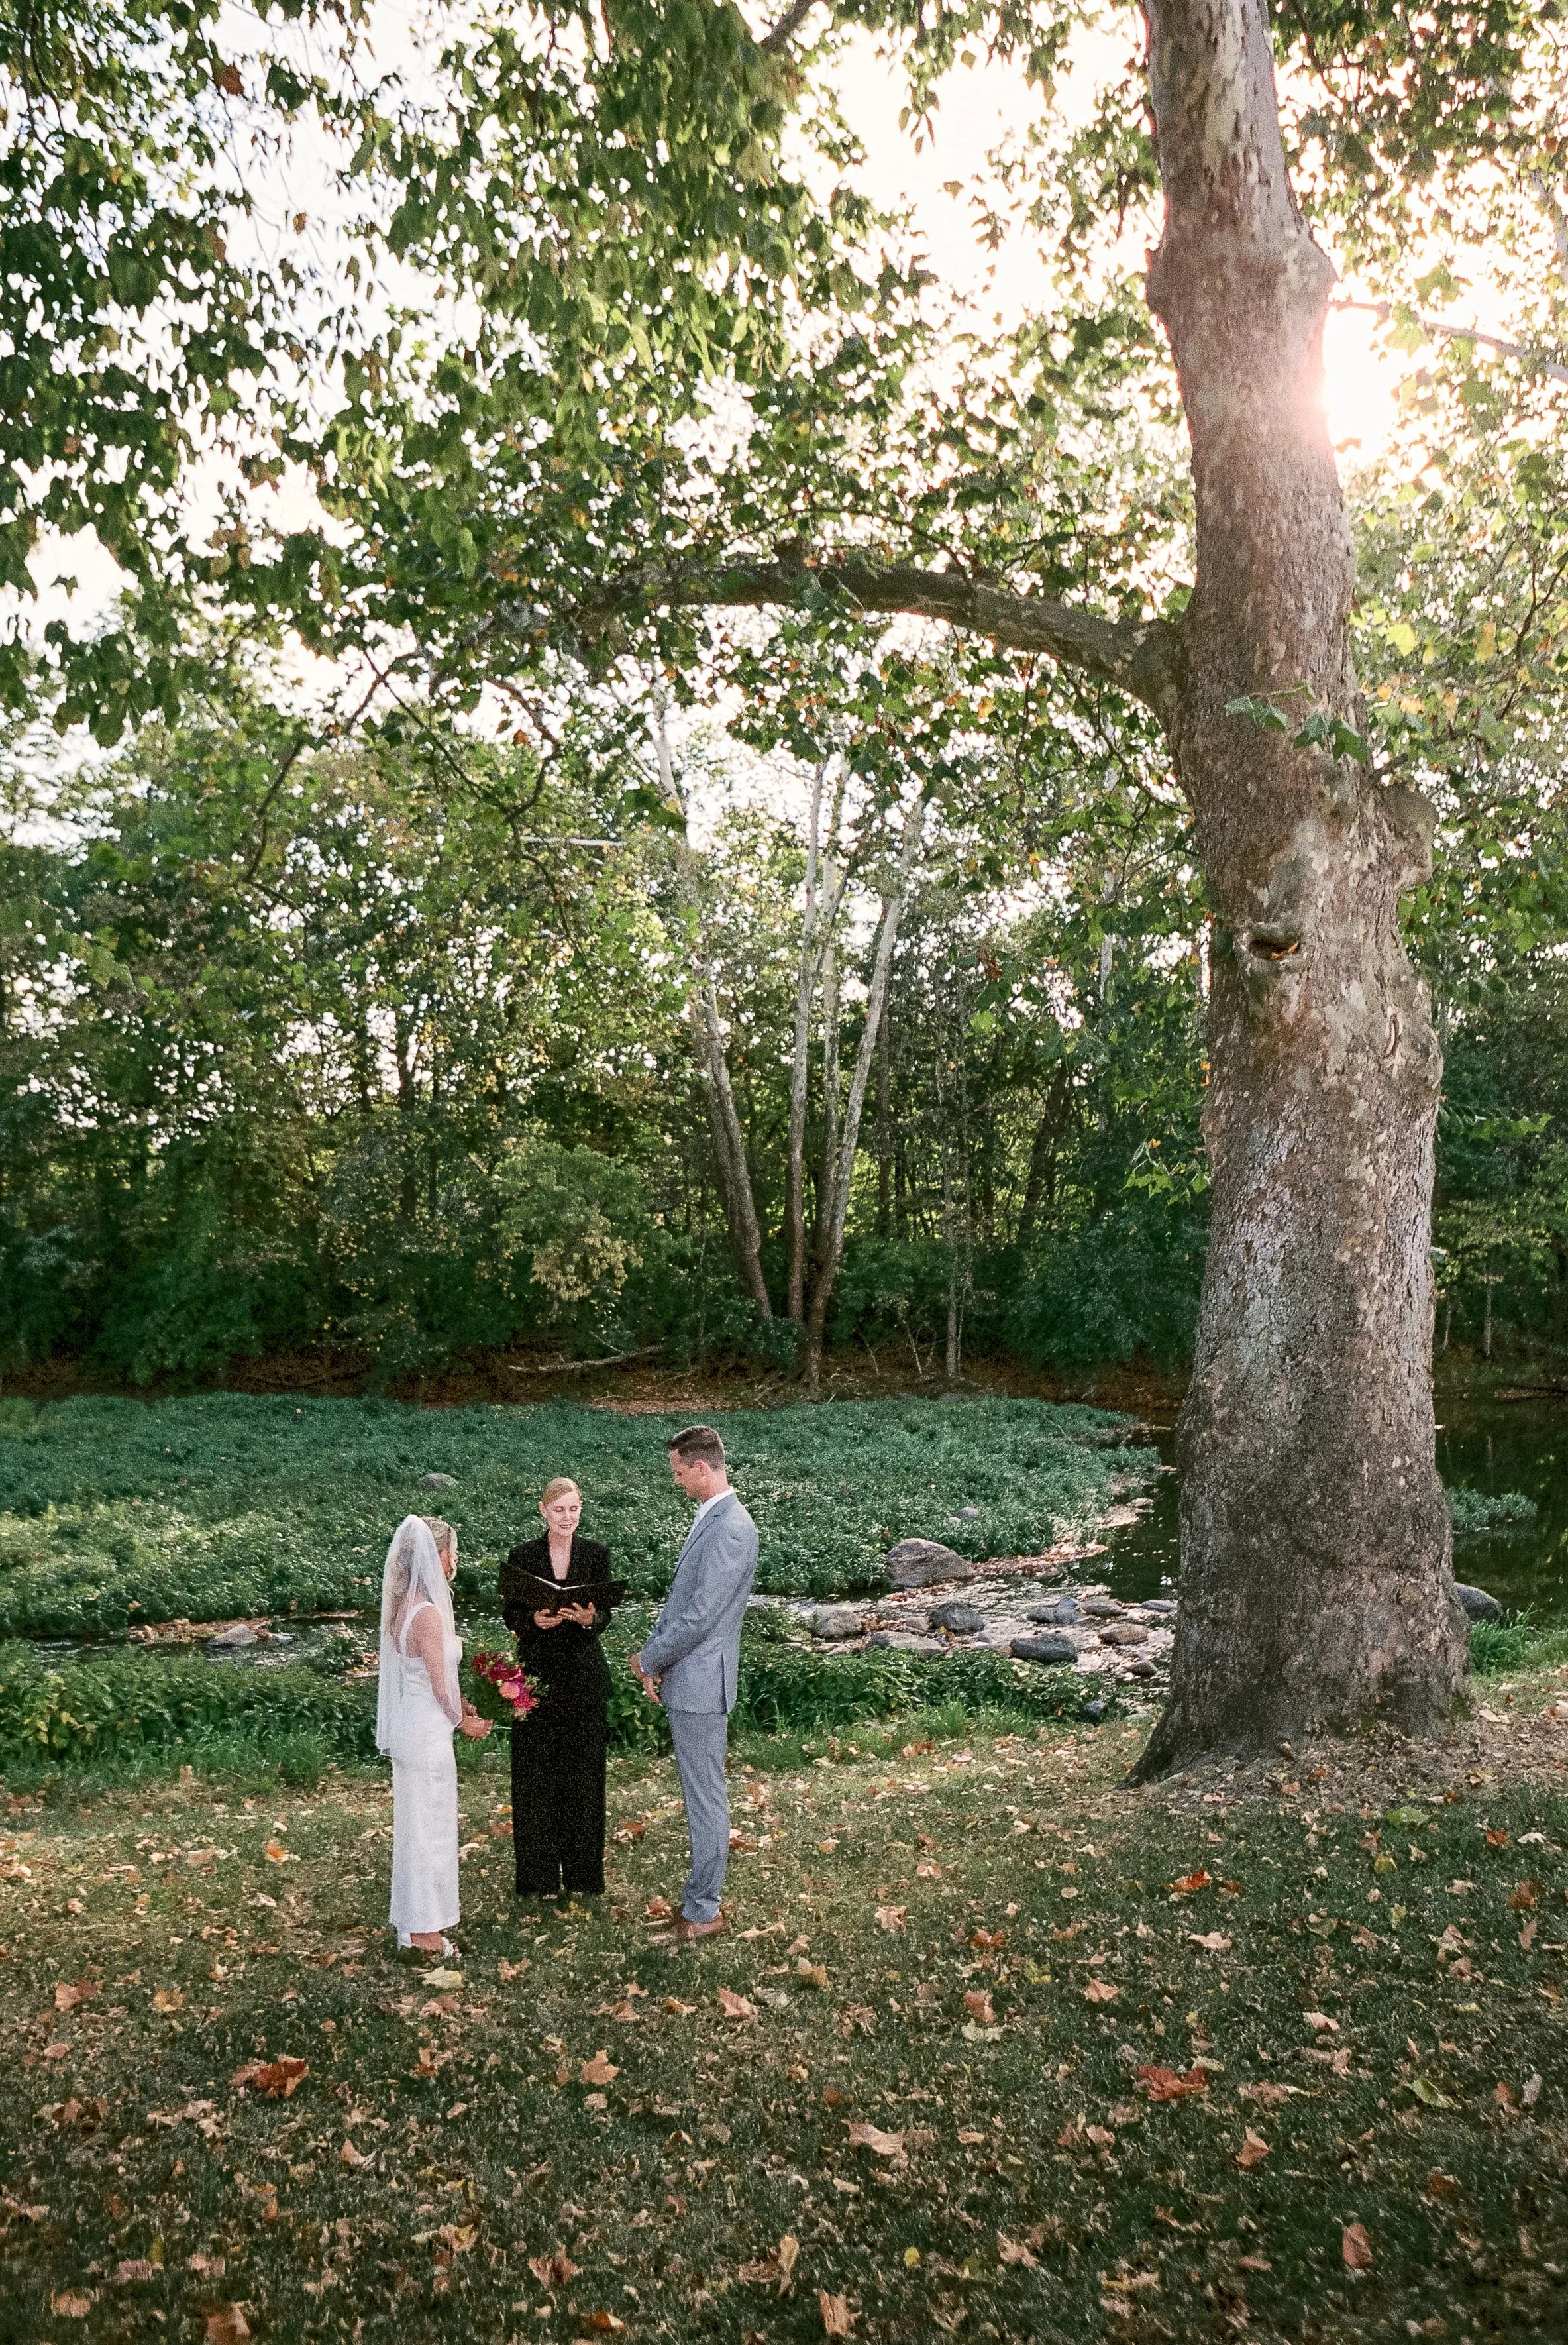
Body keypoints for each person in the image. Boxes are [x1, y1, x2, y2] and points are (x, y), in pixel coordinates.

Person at [633, 1425, 759, 1942]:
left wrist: (648, 1657)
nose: (678, 1481)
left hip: (703, 1684)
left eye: (680, 1472)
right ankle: (698, 1901)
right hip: (690, 1677)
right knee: (700, 1793)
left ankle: (703, 1911)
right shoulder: (713, 1517)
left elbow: (702, 1616)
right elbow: (682, 1603)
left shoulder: (731, 1526)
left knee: (705, 1797)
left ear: (702, 1468)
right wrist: (660, 1657)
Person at [376, 1513, 491, 1955]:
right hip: (426, 1733)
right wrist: (465, 1720)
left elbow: (428, 1675)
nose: (454, 1560)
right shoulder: (425, 1614)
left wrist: (461, 1705)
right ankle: (424, 1932)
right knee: (429, 1829)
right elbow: (440, 1685)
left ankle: (412, 1924)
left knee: (415, 1828)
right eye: (452, 1551)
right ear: (437, 1554)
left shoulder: (403, 1605)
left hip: (413, 1723)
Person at [500, 1477, 615, 1900]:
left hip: (584, 1678)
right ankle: (538, 1880)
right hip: (535, 1682)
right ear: (543, 1511)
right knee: (534, 1779)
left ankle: (585, 1879)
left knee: (584, 1779)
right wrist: (533, 1621)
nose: (568, 1518)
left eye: (574, 1509)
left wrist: (590, 1620)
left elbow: (605, 1612)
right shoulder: (523, 1555)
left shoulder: (596, 1554)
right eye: (559, 1510)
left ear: (581, 1509)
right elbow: (511, 1613)